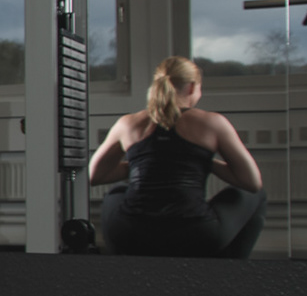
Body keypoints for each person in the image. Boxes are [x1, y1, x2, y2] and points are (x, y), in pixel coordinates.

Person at [90, 56, 266, 258]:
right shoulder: (212, 123)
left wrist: (149, 162)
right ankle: (229, 273)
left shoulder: (128, 123)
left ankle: (122, 263)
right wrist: (206, 162)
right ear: (192, 88)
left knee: (116, 192)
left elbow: (95, 175)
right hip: (194, 235)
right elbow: (252, 183)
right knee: (258, 195)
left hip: (133, 234)